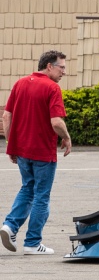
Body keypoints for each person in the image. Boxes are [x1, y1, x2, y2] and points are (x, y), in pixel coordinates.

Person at [1, 50, 72, 256]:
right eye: (62, 67)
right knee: (41, 196)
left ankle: (10, 226)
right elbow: (56, 122)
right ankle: (32, 243)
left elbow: (6, 117)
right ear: (49, 66)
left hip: (22, 151)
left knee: (27, 189)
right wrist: (66, 137)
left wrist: (10, 144)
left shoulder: (20, 84)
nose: (64, 72)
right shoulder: (52, 88)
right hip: (42, 152)